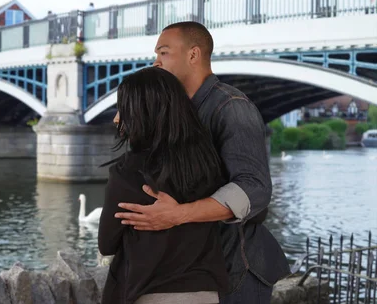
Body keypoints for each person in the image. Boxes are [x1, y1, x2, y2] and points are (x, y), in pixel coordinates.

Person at [114, 21, 291, 303]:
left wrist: (179, 214)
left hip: (238, 267)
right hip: (199, 270)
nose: (156, 62)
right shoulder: (178, 110)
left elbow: (255, 188)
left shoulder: (232, 106)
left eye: (164, 53)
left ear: (193, 55)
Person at [98, 67, 229, 304]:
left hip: (149, 293)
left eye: (123, 109)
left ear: (141, 113)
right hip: (205, 293)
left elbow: (106, 244)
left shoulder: (127, 173)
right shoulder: (209, 163)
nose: (117, 118)